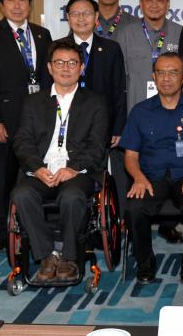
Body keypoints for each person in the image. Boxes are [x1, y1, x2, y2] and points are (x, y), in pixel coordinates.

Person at [10, 40, 109, 282]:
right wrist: (37, 168)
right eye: (59, 63)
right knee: (21, 194)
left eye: (72, 63)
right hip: (41, 171)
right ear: (49, 67)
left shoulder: (95, 102)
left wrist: (72, 168)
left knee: (72, 196)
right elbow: (22, 141)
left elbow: (97, 146)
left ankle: (69, 257)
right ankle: (46, 256)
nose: (65, 68)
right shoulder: (33, 102)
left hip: (78, 172)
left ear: (82, 68)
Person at [121, 52, 183, 284]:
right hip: (150, 176)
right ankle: (145, 261)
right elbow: (130, 156)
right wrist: (137, 177)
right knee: (134, 207)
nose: (166, 78)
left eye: (173, 72)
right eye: (161, 72)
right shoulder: (140, 111)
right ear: (154, 77)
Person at [0, 0, 52, 249]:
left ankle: (34, 224)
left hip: (38, 119)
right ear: (1, 5)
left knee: (34, 173)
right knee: (6, 175)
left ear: (30, 4)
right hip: (5, 120)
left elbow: (47, 77)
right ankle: (1, 228)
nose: (17, 5)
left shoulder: (42, 34)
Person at [114, 0, 183, 243]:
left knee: (171, 166)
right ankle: (134, 223)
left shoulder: (180, 32)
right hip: (137, 116)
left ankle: (169, 223)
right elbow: (118, 80)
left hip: (172, 115)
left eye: (160, 0)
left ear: (168, 4)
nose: (155, 5)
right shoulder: (126, 34)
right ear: (140, 3)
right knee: (136, 168)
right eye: (149, 0)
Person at [59, 0, 128, 216]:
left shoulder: (111, 48)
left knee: (101, 174)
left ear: (96, 17)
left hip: (103, 125)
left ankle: (108, 220)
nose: (81, 18)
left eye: (87, 13)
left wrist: (118, 127)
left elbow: (119, 90)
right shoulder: (57, 49)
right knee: (71, 175)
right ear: (68, 18)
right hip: (66, 125)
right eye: (75, 14)